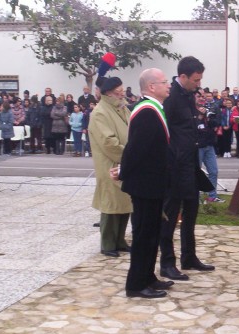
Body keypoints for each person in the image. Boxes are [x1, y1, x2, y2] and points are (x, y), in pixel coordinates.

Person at [116, 68, 173, 298]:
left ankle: (148, 277)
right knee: (143, 236)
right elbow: (136, 149)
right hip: (144, 184)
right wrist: (123, 172)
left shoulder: (155, 109)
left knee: (152, 233)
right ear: (152, 87)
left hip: (153, 183)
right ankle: (136, 285)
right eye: (165, 81)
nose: (169, 85)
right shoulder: (147, 111)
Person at [160, 56, 215, 281]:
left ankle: (189, 256)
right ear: (182, 77)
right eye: (195, 80)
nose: (198, 84)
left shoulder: (189, 95)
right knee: (171, 216)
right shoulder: (171, 97)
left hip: (191, 164)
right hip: (174, 166)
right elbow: (165, 131)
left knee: (191, 211)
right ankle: (167, 263)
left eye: (200, 79)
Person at [89, 77, 132, 257]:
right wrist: (130, 156)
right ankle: (107, 243)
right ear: (108, 93)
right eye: (118, 91)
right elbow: (108, 142)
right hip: (110, 164)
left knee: (124, 204)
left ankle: (120, 240)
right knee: (110, 205)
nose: (122, 93)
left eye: (122, 90)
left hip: (126, 163)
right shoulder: (100, 112)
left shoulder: (122, 108)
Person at [197, 103, 224, 203]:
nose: (201, 99)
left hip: (209, 145)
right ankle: (196, 196)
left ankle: (212, 196)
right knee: (197, 172)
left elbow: (217, 123)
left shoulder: (210, 111)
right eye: (199, 97)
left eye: (203, 97)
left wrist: (209, 117)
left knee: (213, 171)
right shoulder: (191, 111)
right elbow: (191, 127)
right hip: (198, 146)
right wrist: (199, 117)